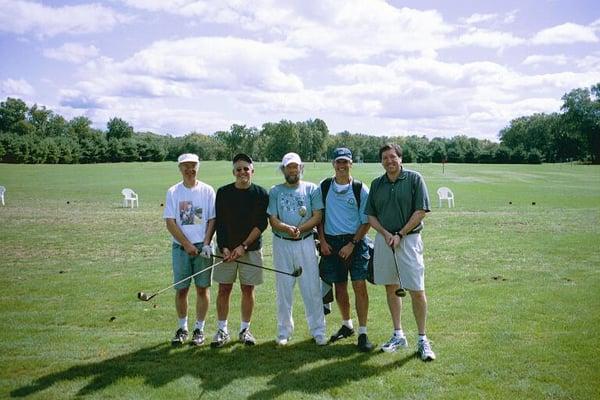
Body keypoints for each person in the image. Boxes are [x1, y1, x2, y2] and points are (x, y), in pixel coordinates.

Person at [365, 143, 436, 361]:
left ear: (400, 158)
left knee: (416, 289)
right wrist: (386, 234)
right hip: (385, 240)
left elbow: (421, 211)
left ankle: (422, 339)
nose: (389, 161)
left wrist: (401, 234)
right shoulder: (377, 184)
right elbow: (371, 216)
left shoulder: (414, 179)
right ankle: (398, 334)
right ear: (381, 161)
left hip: (409, 240)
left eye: (393, 157)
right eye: (385, 158)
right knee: (391, 288)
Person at [317, 147, 374, 352]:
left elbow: (367, 221)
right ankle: (347, 324)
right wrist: (322, 241)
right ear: (333, 164)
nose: (342, 166)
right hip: (331, 243)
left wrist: (352, 244)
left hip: (356, 243)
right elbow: (319, 217)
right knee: (339, 286)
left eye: (345, 162)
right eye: (338, 162)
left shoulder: (360, 188)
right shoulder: (324, 187)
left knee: (359, 285)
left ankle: (363, 332)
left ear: (351, 164)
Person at [267, 152, 327, 346]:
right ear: (283, 169)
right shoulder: (275, 191)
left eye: (295, 167)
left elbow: (317, 216)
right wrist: (287, 228)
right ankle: (284, 331)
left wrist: (300, 229)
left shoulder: (311, 188)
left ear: (301, 168)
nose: (292, 170)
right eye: (288, 167)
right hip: (282, 243)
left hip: (305, 242)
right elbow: (273, 219)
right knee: (284, 289)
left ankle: (318, 331)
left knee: (311, 288)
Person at [212, 153, 269, 347]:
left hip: (250, 250)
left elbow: (260, 224)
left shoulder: (261, 194)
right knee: (224, 289)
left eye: (246, 168)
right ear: (233, 172)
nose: (242, 172)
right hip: (225, 250)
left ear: (252, 171)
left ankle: (245, 330)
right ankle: (222, 330)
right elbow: (219, 222)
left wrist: (243, 246)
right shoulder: (223, 192)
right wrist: (225, 247)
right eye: (238, 169)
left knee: (247, 289)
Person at [163, 153, 216, 346]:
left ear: (198, 167)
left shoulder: (208, 190)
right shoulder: (173, 192)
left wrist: (207, 243)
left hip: (203, 248)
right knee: (182, 289)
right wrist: (186, 244)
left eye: (193, 165)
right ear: (180, 169)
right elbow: (170, 222)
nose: (189, 169)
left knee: (202, 289)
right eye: (185, 166)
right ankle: (182, 328)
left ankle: (199, 330)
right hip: (181, 248)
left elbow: (212, 219)